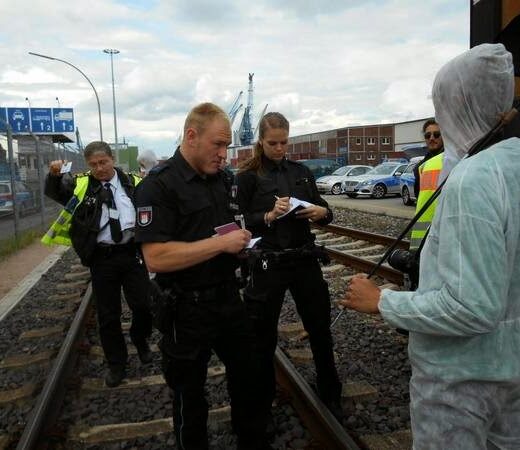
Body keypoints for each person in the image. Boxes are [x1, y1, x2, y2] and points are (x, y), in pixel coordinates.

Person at [341, 43, 520, 449]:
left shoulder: (472, 180)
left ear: (458, 104)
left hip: (460, 383)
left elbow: (471, 307)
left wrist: (383, 302)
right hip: (511, 373)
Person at [134, 103, 268, 450]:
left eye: (227, 146)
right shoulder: (158, 186)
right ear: (191, 136)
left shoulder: (223, 180)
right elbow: (156, 257)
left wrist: (238, 246)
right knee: (189, 396)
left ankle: (251, 440)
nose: (225, 154)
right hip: (185, 309)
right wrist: (218, 244)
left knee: (249, 377)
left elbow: (226, 229)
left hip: (227, 299)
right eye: (218, 144)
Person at [235, 112, 342, 423]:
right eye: (273, 143)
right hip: (268, 263)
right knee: (262, 337)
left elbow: (325, 211)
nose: (280, 148)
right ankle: (263, 401)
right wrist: (268, 216)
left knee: (320, 329)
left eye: (284, 142)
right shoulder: (247, 176)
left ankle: (330, 391)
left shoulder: (301, 172)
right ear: (261, 141)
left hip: (303, 260)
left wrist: (322, 212)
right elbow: (238, 221)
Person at [42, 141, 153, 388]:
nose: (99, 168)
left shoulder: (133, 183)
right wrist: (53, 175)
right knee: (108, 315)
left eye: (103, 162)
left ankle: (140, 339)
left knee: (143, 305)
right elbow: (56, 192)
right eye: (93, 165)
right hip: (102, 258)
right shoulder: (82, 184)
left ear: (112, 159)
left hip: (131, 253)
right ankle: (117, 363)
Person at [413, 119, 444, 199]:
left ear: (443, 135)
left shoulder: (451, 161)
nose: (432, 138)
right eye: (428, 135)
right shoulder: (420, 167)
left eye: (436, 134)